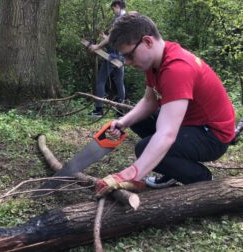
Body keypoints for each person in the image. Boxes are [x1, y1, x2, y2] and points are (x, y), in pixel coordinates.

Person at [96, 14, 235, 197]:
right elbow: (149, 101)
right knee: (138, 120)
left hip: (213, 136)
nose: (127, 62)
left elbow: (167, 133)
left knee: (144, 148)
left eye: (129, 55)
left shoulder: (176, 68)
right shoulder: (156, 62)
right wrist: (123, 122)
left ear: (147, 41)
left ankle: (201, 178)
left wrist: (133, 173)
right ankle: (171, 169)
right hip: (192, 124)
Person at [88, 0, 126, 118]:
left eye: (113, 8)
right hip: (121, 56)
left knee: (100, 81)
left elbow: (111, 38)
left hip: (113, 56)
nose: (113, 11)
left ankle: (99, 110)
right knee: (119, 83)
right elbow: (115, 38)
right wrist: (106, 37)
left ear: (117, 6)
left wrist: (97, 46)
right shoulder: (126, 19)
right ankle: (120, 111)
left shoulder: (119, 20)